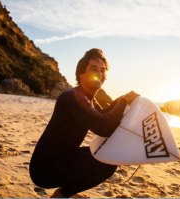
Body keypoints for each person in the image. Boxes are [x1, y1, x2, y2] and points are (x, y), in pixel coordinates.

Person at [29, 48, 139, 198]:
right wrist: (124, 101)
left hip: (62, 158)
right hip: (45, 169)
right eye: (94, 69)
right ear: (81, 73)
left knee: (106, 157)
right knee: (106, 162)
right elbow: (104, 127)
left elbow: (104, 115)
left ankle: (64, 192)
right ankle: (62, 194)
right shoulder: (72, 98)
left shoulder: (86, 98)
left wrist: (124, 99)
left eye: (103, 70)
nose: (100, 74)